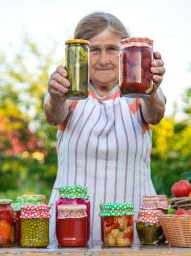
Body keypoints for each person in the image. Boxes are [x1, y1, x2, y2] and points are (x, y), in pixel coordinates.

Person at [44, 11, 166, 244]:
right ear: (79, 54)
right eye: (93, 50)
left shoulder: (140, 91)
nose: (103, 60)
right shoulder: (68, 91)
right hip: (69, 232)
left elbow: (155, 113)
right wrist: (54, 94)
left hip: (134, 233)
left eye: (112, 49)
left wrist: (151, 87)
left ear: (126, 53)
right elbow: (52, 113)